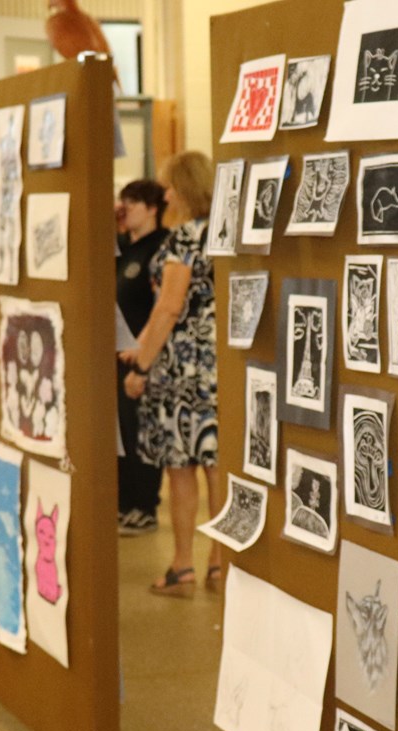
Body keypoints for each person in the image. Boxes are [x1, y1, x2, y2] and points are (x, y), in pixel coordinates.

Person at [121, 151, 223, 598]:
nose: (164, 194)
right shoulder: (224, 232)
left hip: (182, 368)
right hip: (218, 363)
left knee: (180, 470)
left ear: (186, 189)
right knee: (217, 465)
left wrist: (142, 362)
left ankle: (183, 566)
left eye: (170, 186)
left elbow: (168, 307)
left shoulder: (182, 239)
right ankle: (221, 564)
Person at [114, 180, 169, 536]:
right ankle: (124, 501)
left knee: (142, 429)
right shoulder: (122, 247)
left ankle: (145, 505)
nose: (125, 209)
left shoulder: (160, 247)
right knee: (120, 430)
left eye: (132, 203)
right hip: (117, 354)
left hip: (144, 355)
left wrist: (143, 347)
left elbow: (163, 306)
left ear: (152, 207)